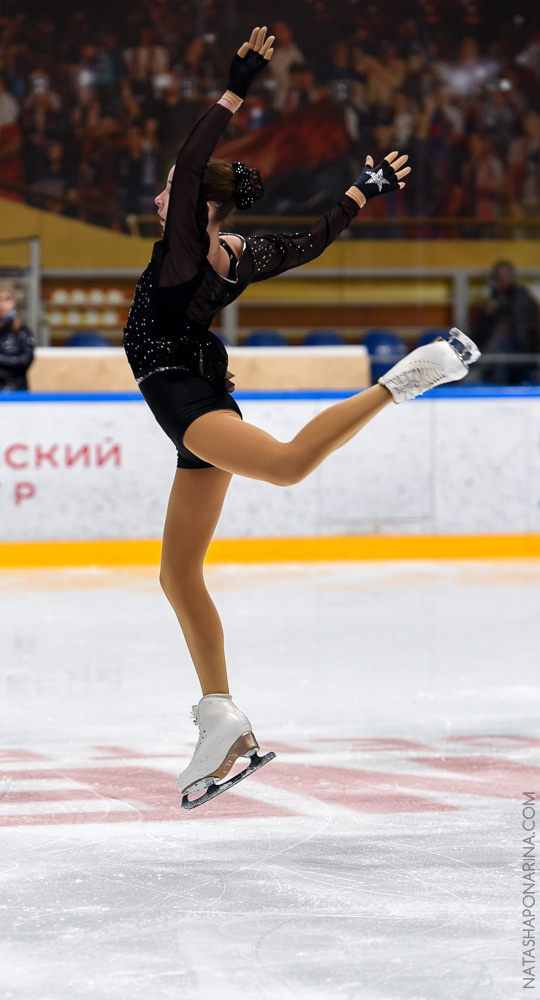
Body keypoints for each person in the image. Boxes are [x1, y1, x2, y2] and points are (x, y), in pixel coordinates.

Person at [122, 27, 480, 809]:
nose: (160, 199)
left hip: (184, 396)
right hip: (194, 393)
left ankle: (402, 381)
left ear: (198, 208)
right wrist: (364, 189)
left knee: (285, 465)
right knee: (178, 573)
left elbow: (189, 168)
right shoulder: (236, 255)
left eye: (173, 195)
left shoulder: (187, 245)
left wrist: (233, 87)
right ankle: (223, 720)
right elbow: (311, 241)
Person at [474, 260, 539, 384]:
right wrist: (487, 316)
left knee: (501, 339)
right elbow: (478, 334)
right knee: (498, 344)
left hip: (520, 350)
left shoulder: (522, 297)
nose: (501, 280)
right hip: (492, 348)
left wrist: (507, 328)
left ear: (512, 277)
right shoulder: (491, 299)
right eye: (498, 277)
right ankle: (477, 370)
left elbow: (526, 331)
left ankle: (478, 370)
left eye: (505, 276)